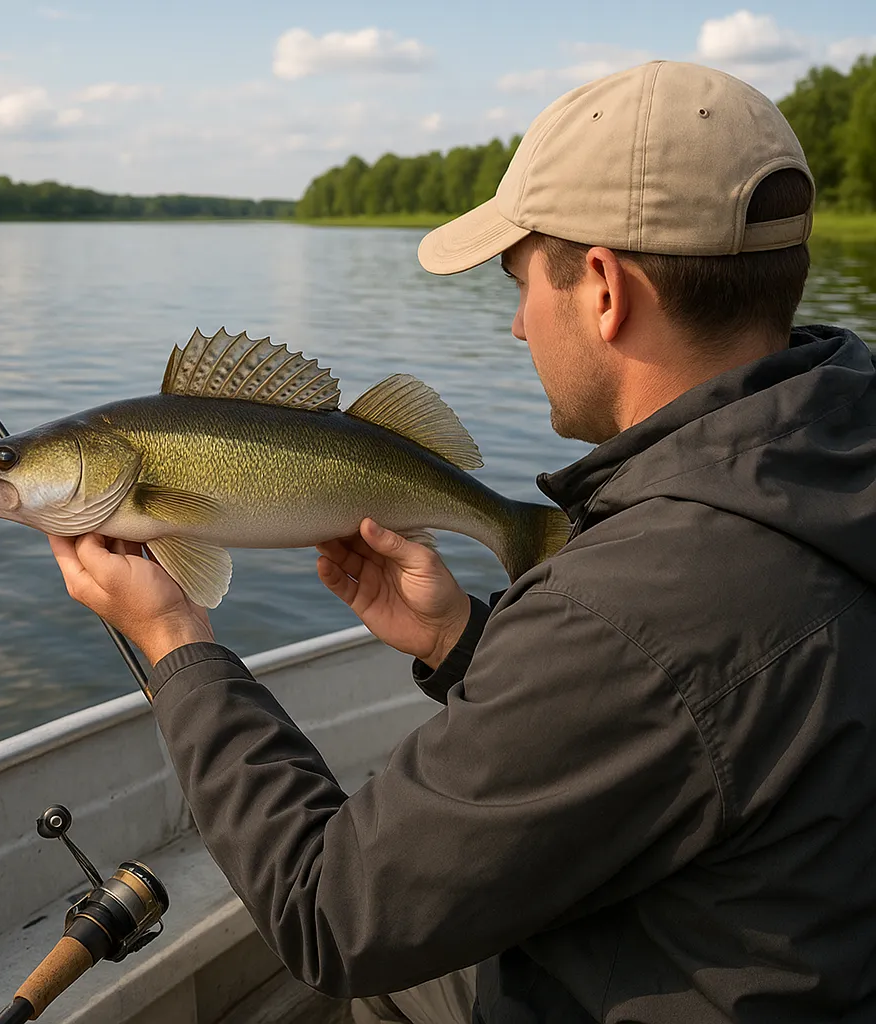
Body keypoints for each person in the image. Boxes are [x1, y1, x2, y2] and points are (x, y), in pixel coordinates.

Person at [48, 60, 876, 1023]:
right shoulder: (829, 469)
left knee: (396, 987)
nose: (518, 324)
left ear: (603, 288)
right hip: (786, 951)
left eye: (520, 282)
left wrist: (173, 645)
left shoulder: (635, 605)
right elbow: (694, 711)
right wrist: (461, 644)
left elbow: (335, 919)